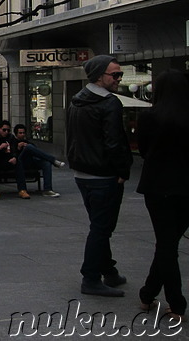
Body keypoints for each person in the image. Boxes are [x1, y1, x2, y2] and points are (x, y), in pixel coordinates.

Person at [66, 55, 132, 298]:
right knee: (102, 228)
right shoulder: (109, 103)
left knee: (99, 225)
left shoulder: (76, 101)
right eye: (114, 75)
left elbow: (72, 136)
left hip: (82, 173)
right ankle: (91, 278)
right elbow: (115, 142)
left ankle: (109, 271)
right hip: (104, 175)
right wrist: (123, 171)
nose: (118, 79)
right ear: (98, 76)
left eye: (120, 74)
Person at [136, 69, 189, 321]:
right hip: (187, 188)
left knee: (166, 244)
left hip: (157, 186)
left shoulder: (149, 117)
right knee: (169, 242)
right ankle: (148, 294)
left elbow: (143, 149)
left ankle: (174, 302)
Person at [12, 124, 65, 198]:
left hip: (30, 161)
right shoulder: (13, 142)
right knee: (29, 147)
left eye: (23, 133)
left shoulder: (28, 142)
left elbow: (37, 152)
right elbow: (12, 155)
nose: (22, 135)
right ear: (16, 134)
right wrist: (18, 148)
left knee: (46, 163)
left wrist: (29, 147)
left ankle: (47, 189)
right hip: (19, 163)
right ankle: (53, 160)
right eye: (20, 133)